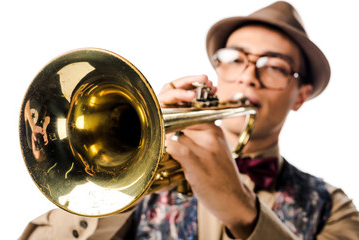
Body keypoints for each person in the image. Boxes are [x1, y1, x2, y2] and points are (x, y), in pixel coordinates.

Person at [20, 1, 359, 239]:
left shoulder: (334, 206)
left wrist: (244, 212)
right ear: (217, 71)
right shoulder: (146, 174)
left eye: (273, 65)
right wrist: (121, 178)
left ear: (300, 94)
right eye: (234, 58)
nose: (248, 76)